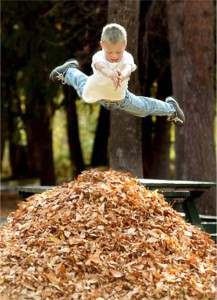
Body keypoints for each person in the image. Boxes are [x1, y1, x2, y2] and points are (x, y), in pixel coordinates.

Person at [49, 23, 185, 126]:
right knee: (83, 88)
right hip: (97, 93)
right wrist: (111, 74)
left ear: (125, 45)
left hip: (122, 99)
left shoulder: (127, 58)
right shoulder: (98, 56)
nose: (114, 56)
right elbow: (100, 67)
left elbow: (127, 69)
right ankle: (68, 71)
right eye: (110, 52)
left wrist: (122, 75)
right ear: (102, 45)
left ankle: (172, 109)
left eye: (118, 52)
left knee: (144, 109)